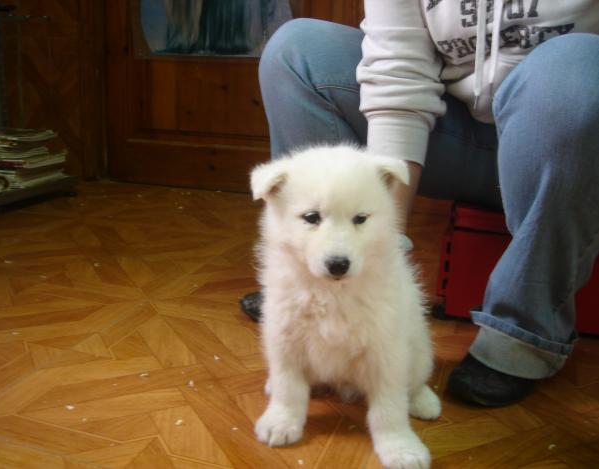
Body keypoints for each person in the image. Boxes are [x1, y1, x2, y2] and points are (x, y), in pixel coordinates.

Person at [240, 0, 599, 407]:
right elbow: (399, 76)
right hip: (459, 139)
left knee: (575, 68)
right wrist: (381, 256)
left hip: (575, 139)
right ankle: (316, 290)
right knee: (297, 51)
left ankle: (521, 333)